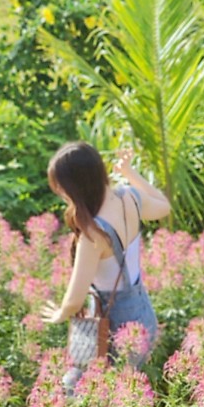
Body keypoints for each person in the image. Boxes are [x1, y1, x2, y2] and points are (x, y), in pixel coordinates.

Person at [41, 142, 170, 386]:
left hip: (115, 327)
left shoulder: (93, 235)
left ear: (75, 187)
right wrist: (130, 174)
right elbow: (163, 206)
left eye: (61, 188)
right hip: (144, 316)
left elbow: (74, 299)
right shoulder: (129, 197)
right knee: (125, 393)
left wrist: (60, 314)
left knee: (79, 390)